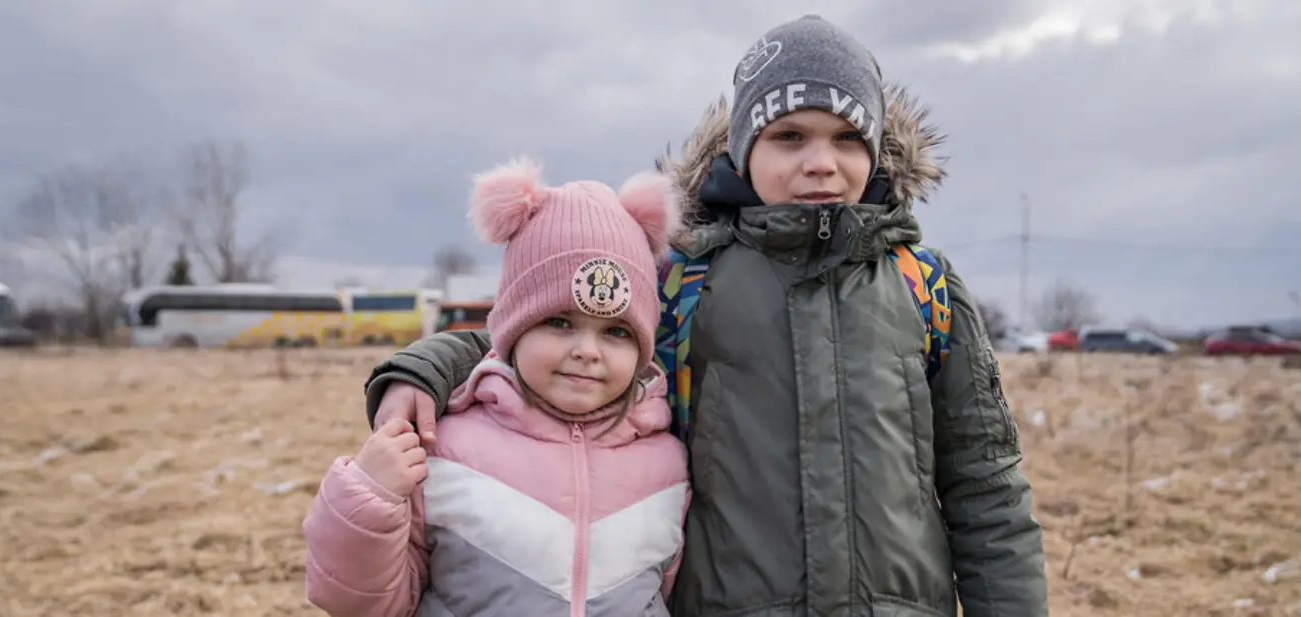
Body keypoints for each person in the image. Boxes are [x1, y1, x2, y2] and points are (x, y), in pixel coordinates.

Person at [361, 14, 1048, 617]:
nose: (821, 163)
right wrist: (421, 369)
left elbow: (986, 485)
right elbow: (541, 329)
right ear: (744, 149)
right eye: (789, 136)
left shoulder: (924, 286)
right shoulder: (685, 280)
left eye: (846, 138)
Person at [304, 157, 691, 617]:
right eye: (559, 322)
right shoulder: (442, 450)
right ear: (511, 331)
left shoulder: (668, 465)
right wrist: (369, 497)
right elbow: (361, 603)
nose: (588, 350)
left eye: (616, 332)